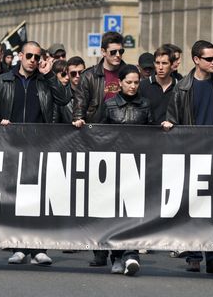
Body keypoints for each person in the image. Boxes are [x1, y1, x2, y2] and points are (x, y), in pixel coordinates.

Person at [0, 41, 70, 266]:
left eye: (37, 57)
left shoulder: (44, 81)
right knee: (16, 197)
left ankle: (38, 248)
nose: (33, 61)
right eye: (29, 56)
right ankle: (18, 247)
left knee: (39, 197)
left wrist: (49, 77)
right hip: (11, 145)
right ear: (20, 55)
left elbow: (64, 99)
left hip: (40, 146)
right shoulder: (4, 80)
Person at [163, 40, 213, 274]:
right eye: (209, 59)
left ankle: (212, 254)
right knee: (193, 204)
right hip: (191, 153)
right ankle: (194, 254)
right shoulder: (182, 87)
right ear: (196, 60)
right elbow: (173, 118)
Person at [72, 31, 126, 267]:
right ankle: (99, 249)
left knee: (120, 197)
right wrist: (78, 118)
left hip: (122, 139)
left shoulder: (128, 72)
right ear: (103, 52)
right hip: (96, 138)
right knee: (97, 196)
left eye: (121, 51)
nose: (117, 56)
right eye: (113, 52)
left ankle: (118, 252)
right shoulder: (89, 76)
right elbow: (80, 101)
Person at [97, 64, 151, 276]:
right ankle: (116, 257)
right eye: (128, 82)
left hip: (137, 166)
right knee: (115, 214)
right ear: (119, 83)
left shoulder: (145, 105)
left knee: (134, 212)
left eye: (136, 82)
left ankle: (132, 254)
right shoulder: (109, 105)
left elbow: (153, 134)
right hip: (114, 166)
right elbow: (99, 133)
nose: (132, 86)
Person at [139, 46, 176, 126]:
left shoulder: (179, 87)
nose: (160, 67)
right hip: (148, 135)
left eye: (164, 63)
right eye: (157, 63)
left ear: (172, 65)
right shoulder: (142, 86)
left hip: (173, 135)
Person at [55, 56, 85, 124]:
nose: (77, 76)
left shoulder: (93, 92)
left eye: (80, 72)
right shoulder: (61, 95)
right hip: (67, 133)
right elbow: (55, 124)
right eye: (73, 73)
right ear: (68, 74)